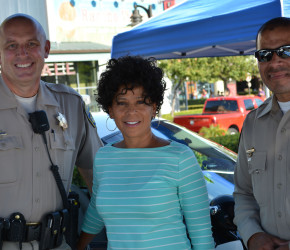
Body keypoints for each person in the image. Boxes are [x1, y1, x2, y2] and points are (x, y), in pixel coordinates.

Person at [77, 56, 214, 250]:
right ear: (111, 110)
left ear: (154, 108)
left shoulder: (179, 158)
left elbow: (201, 235)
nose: (131, 111)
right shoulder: (104, 157)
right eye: (122, 103)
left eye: (141, 102)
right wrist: (78, 245)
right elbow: (96, 212)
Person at [0, 13, 103, 249]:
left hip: (59, 243)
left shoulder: (71, 105)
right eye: (11, 45)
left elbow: (98, 176)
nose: (22, 53)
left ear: (45, 49)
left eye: (31, 44)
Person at [233, 17, 290, 250]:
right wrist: (253, 234)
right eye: (265, 54)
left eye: (285, 51)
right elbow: (243, 193)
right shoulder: (253, 124)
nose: (274, 62)